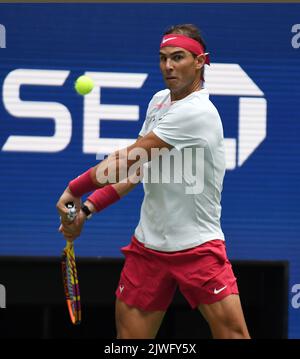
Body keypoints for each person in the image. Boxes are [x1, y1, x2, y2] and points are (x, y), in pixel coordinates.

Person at [56, 24, 250, 339]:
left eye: (178, 57)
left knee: (233, 335)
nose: (168, 66)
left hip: (198, 247)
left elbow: (128, 160)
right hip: (148, 249)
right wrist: (88, 208)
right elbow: (138, 171)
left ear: (200, 61)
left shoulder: (198, 111)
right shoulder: (160, 101)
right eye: (162, 58)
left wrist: (74, 189)